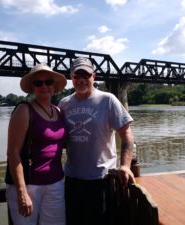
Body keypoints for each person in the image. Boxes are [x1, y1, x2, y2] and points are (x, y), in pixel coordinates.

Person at [58, 57, 135, 225]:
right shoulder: (64, 104)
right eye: (77, 76)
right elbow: (59, 138)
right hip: (72, 178)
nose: (81, 80)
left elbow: (127, 134)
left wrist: (125, 166)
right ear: (71, 77)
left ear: (94, 76)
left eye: (85, 75)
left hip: (101, 179)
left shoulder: (108, 100)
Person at [5, 64, 67, 225]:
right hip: (29, 185)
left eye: (48, 82)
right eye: (38, 83)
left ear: (54, 85)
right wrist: (22, 192)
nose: (44, 86)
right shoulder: (24, 110)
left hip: (56, 183)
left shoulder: (59, 111)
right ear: (32, 87)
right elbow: (13, 153)